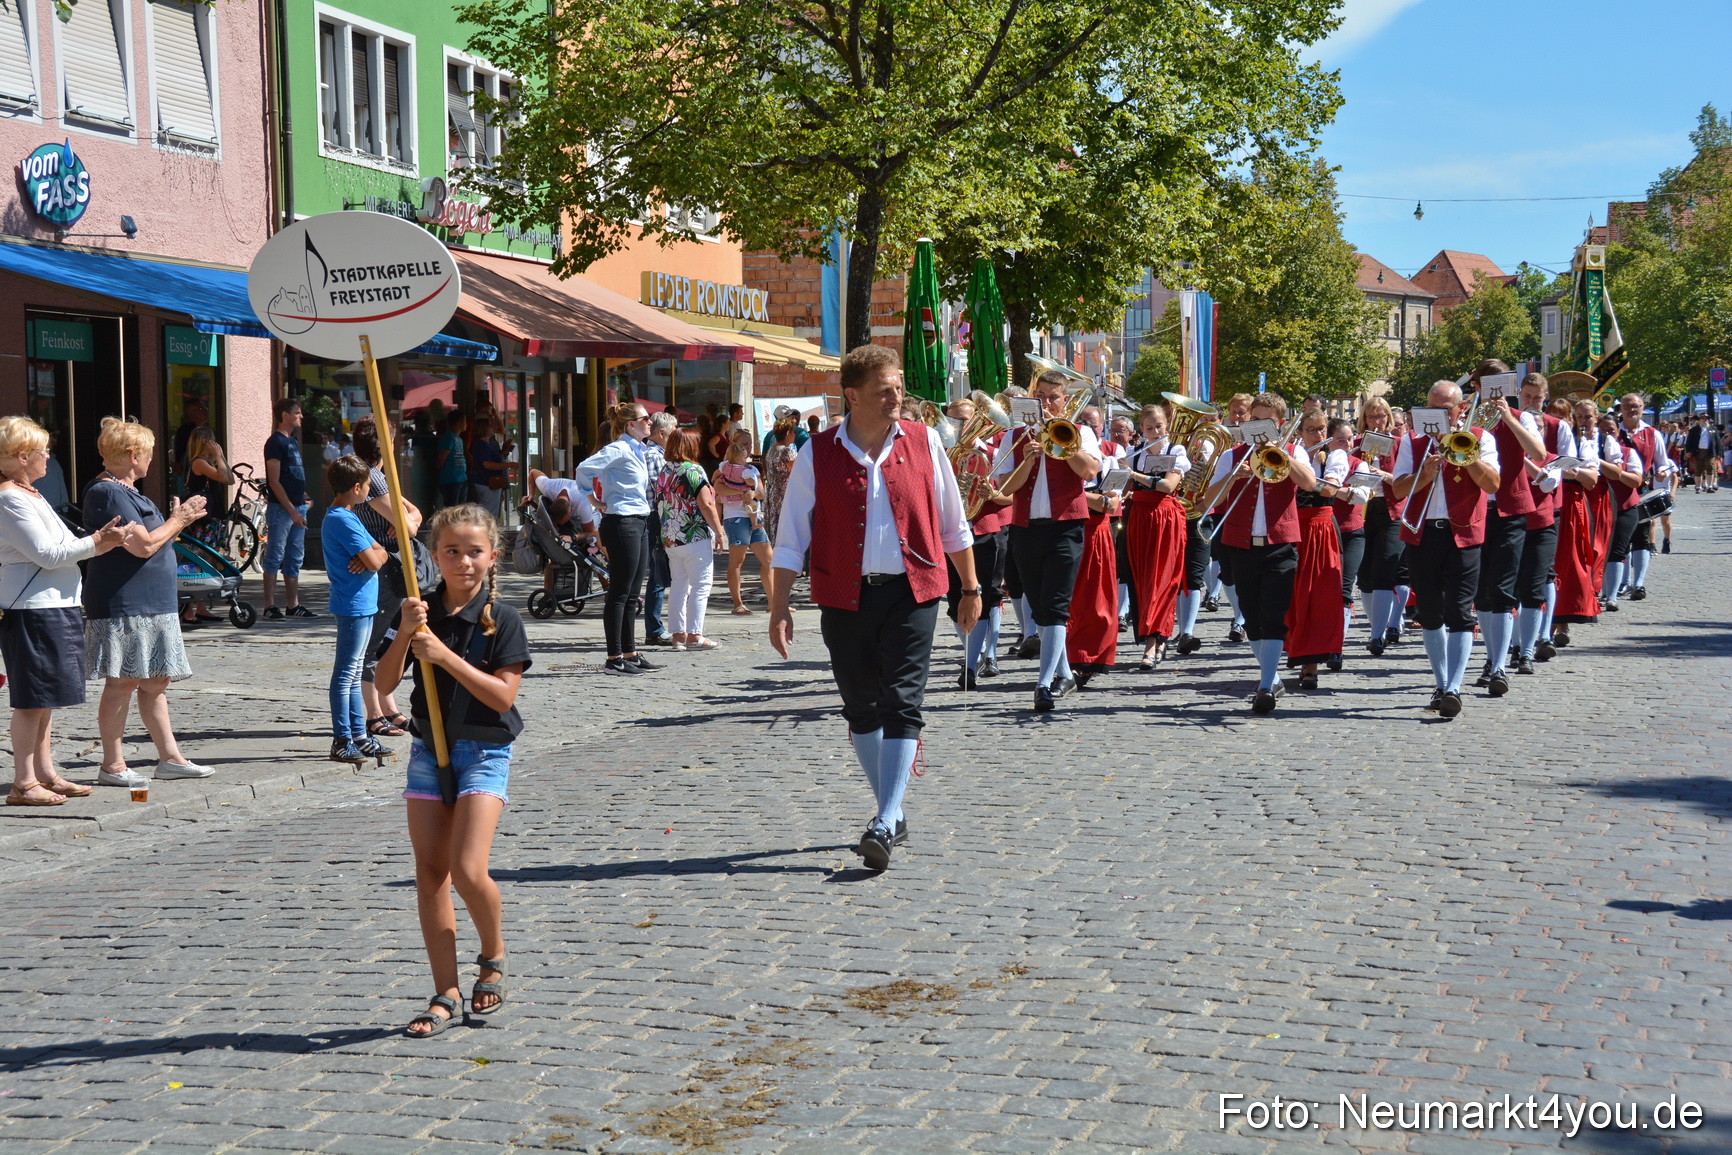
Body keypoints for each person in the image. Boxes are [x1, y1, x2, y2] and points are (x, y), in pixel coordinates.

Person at [768, 343, 976, 871]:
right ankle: (893, 808)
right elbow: (791, 537)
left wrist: (971, 588)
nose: (897, 397)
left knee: (902, 700)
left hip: (914, 591)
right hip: (844, 593)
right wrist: (779, 606)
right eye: (885, 390)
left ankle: (884, 818)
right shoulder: (817, 453)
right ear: (852, 395)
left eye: (899, 388)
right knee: (861, 706)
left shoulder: (926, 442)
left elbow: (953, 523)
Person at [376, 503, 530, 1038]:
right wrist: (405, 632)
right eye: (451, 552)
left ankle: (493, 953)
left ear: (492, 556)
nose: (463, 562)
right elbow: (385, 684)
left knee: (468, 868)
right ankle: (444, 992)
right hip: (428, 753)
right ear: (435, 556)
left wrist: (444, 657)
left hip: (484, 751)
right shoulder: (419, 611)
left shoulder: (503, 620)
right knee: (431, 875)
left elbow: (503, 694)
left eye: (474, 552)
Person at [81, 417, 216, 787]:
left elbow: (154, 538)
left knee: (157, 680)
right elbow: (141, 546)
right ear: (132, 454)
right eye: (150, 453)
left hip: (153, 602)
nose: (153, 460)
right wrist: (179, 519)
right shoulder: (107, 492)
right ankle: (112, 764)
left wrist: (173, 522)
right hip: (126, 601)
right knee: (123, 681)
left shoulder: (130, 491)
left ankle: (170, 758)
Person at [0, 417, 124, 806]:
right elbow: (49, 554)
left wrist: (94, 543)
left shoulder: (30, 494)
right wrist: (97, 543)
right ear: (22, 457)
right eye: (43, 451)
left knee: (47, 697)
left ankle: (45, 772)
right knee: (32, 699)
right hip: (33, 610)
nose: (48, 457)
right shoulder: (10, 498)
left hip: (58, 607)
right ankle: (23, 782)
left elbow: (66, 543)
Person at [1194, 393, 1317, 713]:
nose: (1257, 427)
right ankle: (1271, 676)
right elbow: (1207, 500)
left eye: (1265, 422)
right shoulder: (1232, 455)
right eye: (1253, 421)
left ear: (1278, 424)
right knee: (1251, 618)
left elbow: (1309, 483)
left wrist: (1285, 459)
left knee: (1274, 616)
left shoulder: (1293, 449)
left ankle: (1266, 684)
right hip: (1240, 546)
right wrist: (1233, 476)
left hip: (1280, 545)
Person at [991, 370, 1103, 711]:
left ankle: (1043, 685)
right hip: (1025, 527)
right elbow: (1005, 489)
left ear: (1065, 401)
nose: (1045, 403)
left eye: (1053, 397)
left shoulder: (1079, 432)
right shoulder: (1014, 436)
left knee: (1055, 607)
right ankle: (1065, 673)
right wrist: (1030, 455)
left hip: (1066, 527)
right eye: (1040, 396)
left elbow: (1090, 472)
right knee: (1040, 608)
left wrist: (1061, 445)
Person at [1391, 380, 1500, 718]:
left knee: (1460, 612)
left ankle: (1454, 686)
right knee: (1431, 613)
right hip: (1423, 535)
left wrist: (1466, 457)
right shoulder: (1412, 441)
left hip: (1464, 535)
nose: (1435, 414)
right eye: (1430, 407)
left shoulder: (1482, 438)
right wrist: (1424, 474)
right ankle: (1441, 683)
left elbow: (1493, 484)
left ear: (1460, 410)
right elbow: (1398, 490)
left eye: (1443, 409)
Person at [1468, 361, 1548, 697]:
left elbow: (1539, 453)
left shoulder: (1522, 416)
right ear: (1477, 387)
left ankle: (1498, 664)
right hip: (1473, 511)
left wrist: (1510, 418)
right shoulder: (1467, 415)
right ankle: (1492, 658)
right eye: (1488, 385)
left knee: (1501, 589)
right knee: (1483, 592)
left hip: (1510, 509)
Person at [351, 416, 423, 741]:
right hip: (383, 567)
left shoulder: (379, 476)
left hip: (392, 565)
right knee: (376, 641)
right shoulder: (372, 479)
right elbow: (409, 524)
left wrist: (410, 517)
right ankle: (373, 714)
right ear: (386, 444)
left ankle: (388, 705)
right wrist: (408, 519)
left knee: (391, 637)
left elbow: (416, 513)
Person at [576, 403, 657, 675]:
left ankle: (630, 652)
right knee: (620, 591)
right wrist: (593, 500)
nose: (649, 422)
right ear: (630, 425)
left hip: (639, 520)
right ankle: (614, 657)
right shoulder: (618, 448)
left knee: (633, 592)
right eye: (645, 419)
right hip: (622, 521)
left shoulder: (638, 449)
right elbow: (584, 469)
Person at [321, 455, 391, 765]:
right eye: (367, 487)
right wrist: (372, 554)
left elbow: (381, 552)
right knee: (346, 673)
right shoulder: (341, 519)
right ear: (358, 487)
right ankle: (342, 739)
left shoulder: (349, 516)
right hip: (352, 604)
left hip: (361, 602)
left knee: (354, 670)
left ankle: (358, 736)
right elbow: (377, 559)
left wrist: (373, 553)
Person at [1284, 411, 1356, 690]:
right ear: (1300, 432)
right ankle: (1294, 650)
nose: (1317, 435)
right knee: (1293, 595)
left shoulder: (1335, 455)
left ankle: (1310, 664)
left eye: (1321, 430)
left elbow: (1328, 490)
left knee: (1320, 595)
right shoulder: (1294, 452)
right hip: (1291, 528)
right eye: (1311, 430)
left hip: (1321, 528)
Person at [1122, 404, 1188, 671]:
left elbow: (1168, 485)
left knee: (1163, 579)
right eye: (1149, 428)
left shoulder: (1177, 451)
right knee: (1143, 580)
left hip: (1166, 518)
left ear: (1167, 425)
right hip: (1139, 519)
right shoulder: (1133, 454)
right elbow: (1124, 489)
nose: (1155, 431)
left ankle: (1154, 640)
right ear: (1142, 429)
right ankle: (1156, 637)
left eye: (1159, 426)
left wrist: (1133, 474)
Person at [654, 430, 727, 650]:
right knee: (701, 585)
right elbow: (706, 504)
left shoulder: (665, 470)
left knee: (679, 585)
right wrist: (719, 532)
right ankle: (695, 635)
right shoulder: (693, 470)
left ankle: (678, 636)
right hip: (693, 534)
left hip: (671, 536)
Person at [1615, 392, 1676, 600]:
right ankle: (1622, 583)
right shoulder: (1613, 432)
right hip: (1616, 492)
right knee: (1620, 539)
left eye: (1637, 406)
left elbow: (1663, 462)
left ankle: (1639, 583)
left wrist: (1662, 472)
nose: (1633, 410)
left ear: (1642, 409)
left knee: (1641, 536)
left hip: (1641, 492)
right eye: (1628, 406)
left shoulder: (1652, 434)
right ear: (1621, 409)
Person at [262, 398, 317, 620]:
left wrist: (305, 500)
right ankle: (269, 605)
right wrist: (292, 510)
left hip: (297, 508)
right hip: (281, 509)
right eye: (297, 412)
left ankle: (293, 605)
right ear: (285, 415)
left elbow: (293, 476)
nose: (301, 416)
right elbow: (274, 481)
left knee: (295, 557)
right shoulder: (275, 443)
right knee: (275, 555)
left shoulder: (292, 442)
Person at [712, 431, 772, 614]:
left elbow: (761, 492)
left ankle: (773, 603)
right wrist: (740, 493)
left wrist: (753, 493)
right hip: (736, 518)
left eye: (750, 443)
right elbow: (717, 487)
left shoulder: (753, 469)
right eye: (744, 444)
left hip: (754, 515)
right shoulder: (725, 467)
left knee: (770, 560)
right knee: (737, 561)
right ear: (734, 444)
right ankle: (738, 604)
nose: (748, 447)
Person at [180, 426, 233, 623]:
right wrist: (218, 456)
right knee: (196, 560)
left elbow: (230, 479)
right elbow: (223, 477)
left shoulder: (207, 462)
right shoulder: (199, 462)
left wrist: (221, 458)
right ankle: (188, 609)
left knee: (208, 562)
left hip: (212, 518)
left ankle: (201, 606)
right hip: (203, 520)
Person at [642, 412, 678, 648]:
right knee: (658, 572)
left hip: (646, 517)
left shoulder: (645, 453)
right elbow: (662, 494)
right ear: (663, 433)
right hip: (654, 517)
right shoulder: (656, 457)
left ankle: (655, 627)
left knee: (655, 572)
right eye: (674, 432)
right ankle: (654, 629)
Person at [762, 417, 800, 547]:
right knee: (784, 528)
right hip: (784, 494)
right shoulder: (787, 450)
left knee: (774, 527)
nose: (795, 434)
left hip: (772, 493)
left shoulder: (773, 448)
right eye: (793, 431)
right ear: (787, 433)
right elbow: (797, 470)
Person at [466, 414, 509, 518]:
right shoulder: (481, 444)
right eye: (490, 426)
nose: (493, 428)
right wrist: (508, 464)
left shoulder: (485, 444)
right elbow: (487, 464)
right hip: (487, 482)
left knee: (489, 510)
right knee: (489, 512)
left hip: (490, 482)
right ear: (484, 428)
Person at [435, 410, 470, 511]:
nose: (466, 424)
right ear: (459, 422)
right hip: (451, 478)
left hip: (461, 477)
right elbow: (441, 457)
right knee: (452, 509)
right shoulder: (448, 437)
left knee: (460, 509)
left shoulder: (458, 438)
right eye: (465, 421)